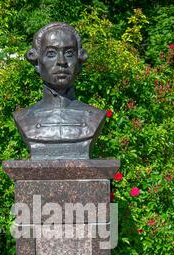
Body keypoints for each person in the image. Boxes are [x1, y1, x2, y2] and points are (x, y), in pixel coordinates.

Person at [14, 22, 106, 159]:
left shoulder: (95, 117)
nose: (62, 61)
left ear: (79, 61)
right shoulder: (23, 118)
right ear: (37, 62)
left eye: (69, 53)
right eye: (51, 54)